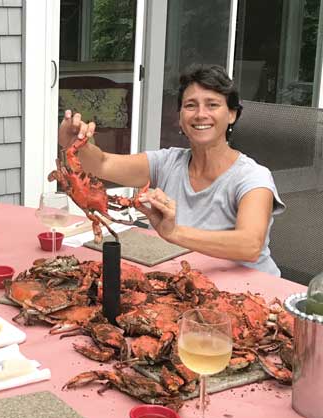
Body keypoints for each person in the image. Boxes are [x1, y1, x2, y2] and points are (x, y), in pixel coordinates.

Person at [58, 63, 285, 276]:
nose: (200, 114)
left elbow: (250, 245)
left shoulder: (252, 177)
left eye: (212, 104)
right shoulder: (167, 162)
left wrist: (173, 232)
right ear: (180, 117)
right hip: (187, 282)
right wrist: (75, 143)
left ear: (232, 114)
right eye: (190, 105)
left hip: (253, 291)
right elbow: (103, 163)